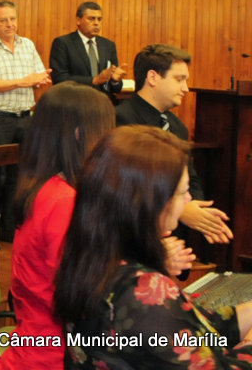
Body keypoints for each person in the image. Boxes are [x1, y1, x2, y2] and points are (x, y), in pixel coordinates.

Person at [54, 126, 252, 367]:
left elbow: (205, 326)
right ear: (150, 203)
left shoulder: (94, 258)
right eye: (183, 192)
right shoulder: (142, 292)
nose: (189, 199)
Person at [0, 82, 117, 369]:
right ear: (79, 134)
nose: (111, 142)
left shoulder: (47, 189)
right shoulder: (63, 201)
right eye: (106, 130)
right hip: (54, 353)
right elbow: (85, 295)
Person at [116, 43, 232, 245]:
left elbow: (190, 176)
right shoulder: (122, 120)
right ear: (153, 77)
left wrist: (197, 209)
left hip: (174, 241)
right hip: (136, 239)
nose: (185, 88)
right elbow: (127, 186)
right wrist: (179, 209)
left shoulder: (178, 127)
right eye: (179, 79)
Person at [0, 0, 52, 240]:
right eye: (4, 20)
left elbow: (38, 76)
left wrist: (40, 80)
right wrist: (22, 81)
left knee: (21, 176)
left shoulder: (27, 45)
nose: (10, 24)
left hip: (26, 118)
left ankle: (8, 228)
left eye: (13, 19)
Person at [49, 1, 125, 94]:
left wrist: (115, 81)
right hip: (75, 99)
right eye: (91, 19)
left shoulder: (108, 45)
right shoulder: (63, 43)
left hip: (103, 100)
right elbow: (59, 79)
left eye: (99, 19)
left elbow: (116, 88)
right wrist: (94, 80)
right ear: (78, 20)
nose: (96, 23)